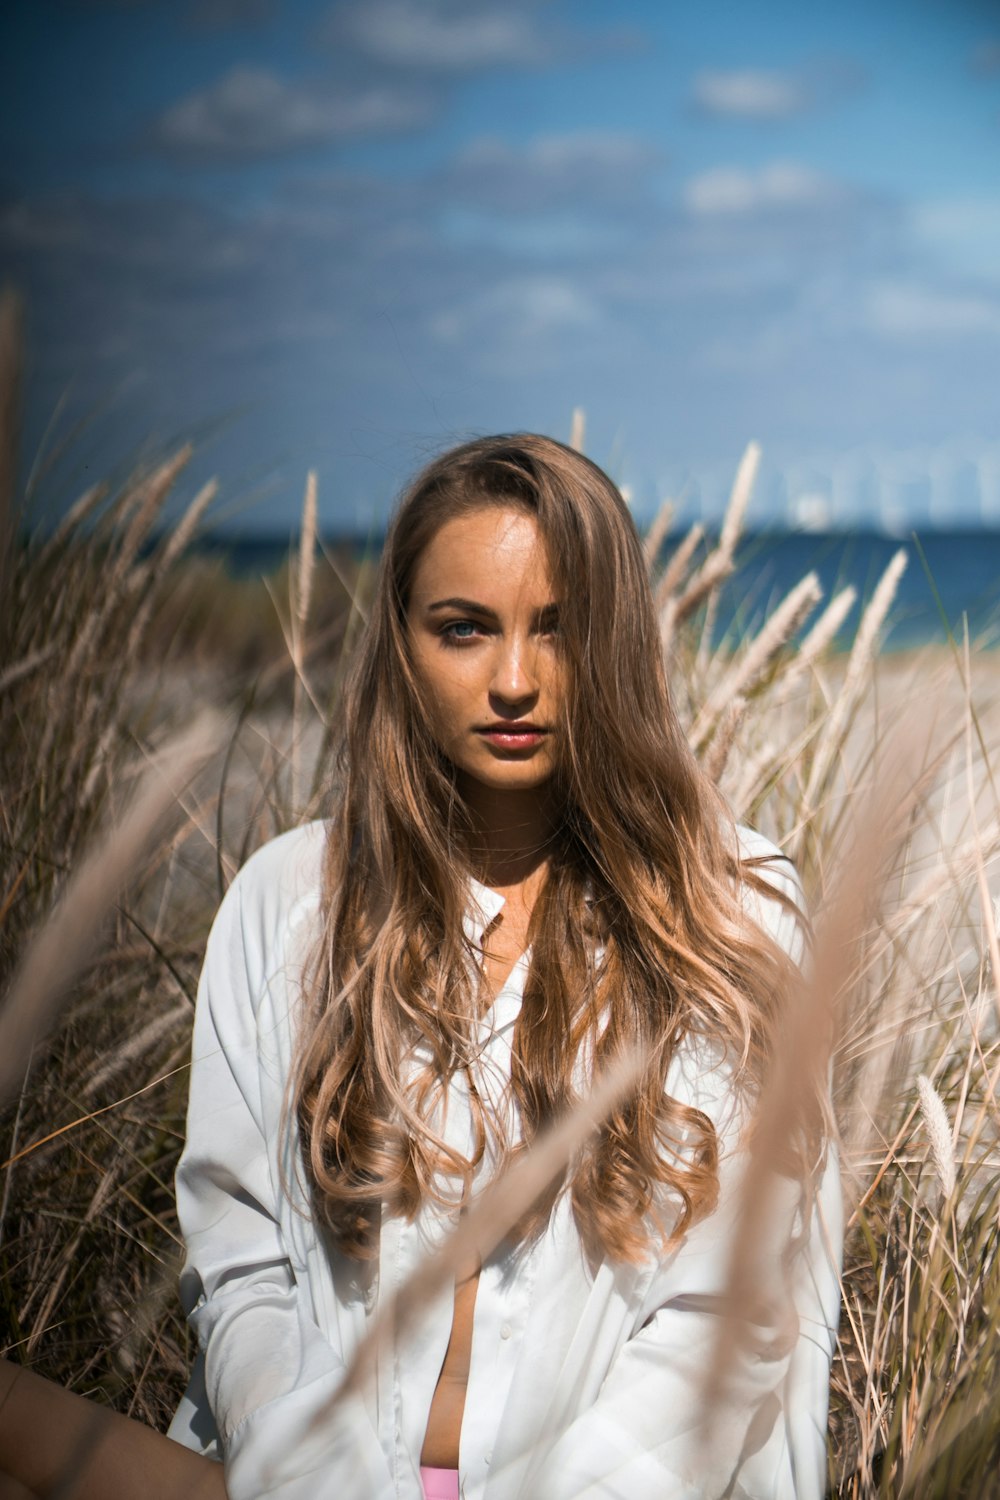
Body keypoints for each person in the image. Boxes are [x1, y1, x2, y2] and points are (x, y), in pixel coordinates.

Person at [0, 433, 841, 1500]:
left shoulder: (727, 909)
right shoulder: (291, 903)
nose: (514, 681)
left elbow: (735, 1305)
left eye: (559, 629)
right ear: (401, 643)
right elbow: (241, 1253)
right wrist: (303, 1474)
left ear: (617, 643)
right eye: (463, 631)